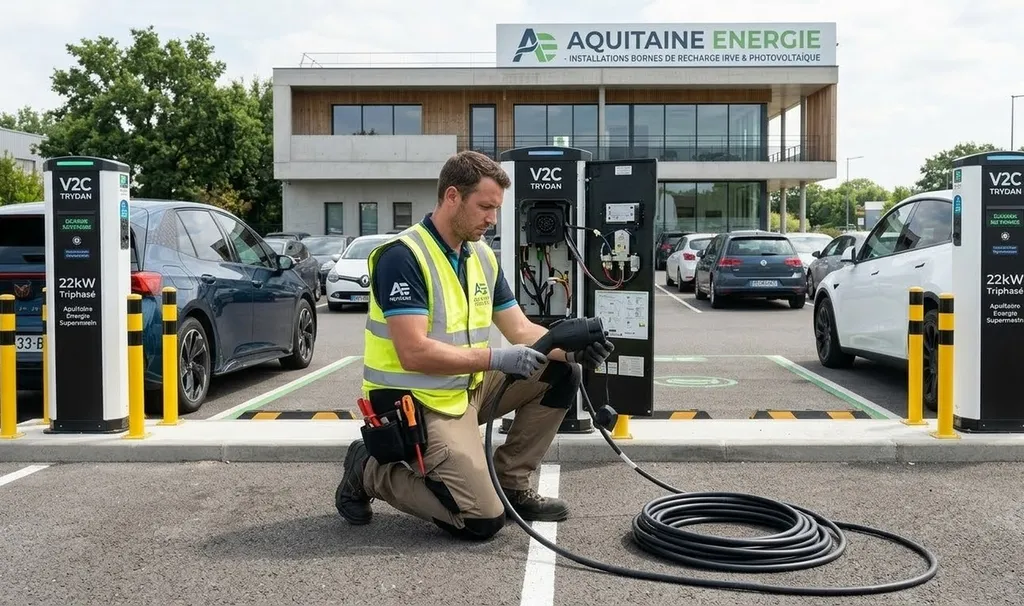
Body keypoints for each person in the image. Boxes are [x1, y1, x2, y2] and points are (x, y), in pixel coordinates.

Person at [334, 150, 614, 541]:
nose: (492, 219)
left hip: (465, 389)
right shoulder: (403, 257)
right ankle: (368, 470)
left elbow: (519, 328)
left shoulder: (479, 256)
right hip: (416, 401)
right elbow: (413, 351)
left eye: (496, 209)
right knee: (481, 521)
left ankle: (511, 484)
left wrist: (570, 352)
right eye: (485, 207)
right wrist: (497, 358)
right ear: (452, 197)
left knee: (563, 373)